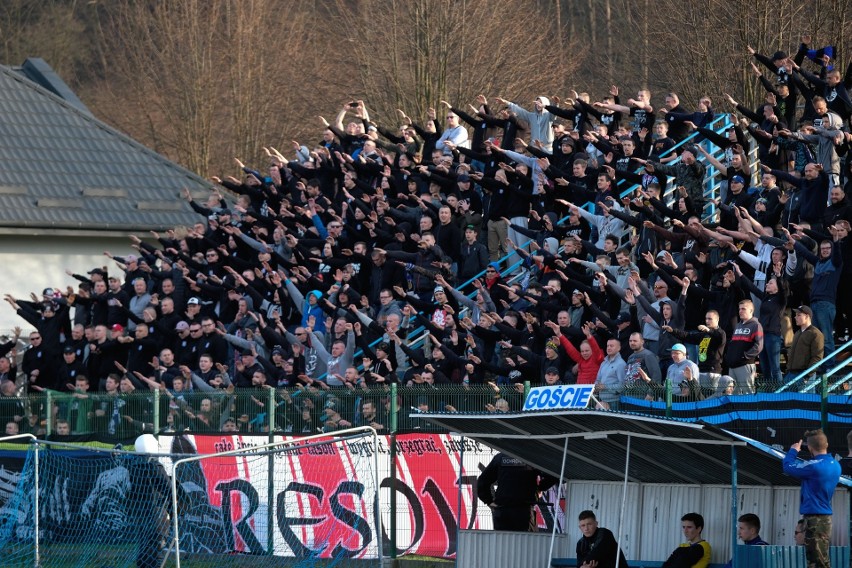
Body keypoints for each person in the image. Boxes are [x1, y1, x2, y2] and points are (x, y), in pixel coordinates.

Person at [782, 429, 842, 568]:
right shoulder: (835, 465)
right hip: (824, 518)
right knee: (822, 558)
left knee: (816, 561)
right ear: (826, 444)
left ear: (809, 447)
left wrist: (793, 451)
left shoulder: (814, 466)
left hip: (815, 518)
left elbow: (788, 467)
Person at [476, 452, 558, 532]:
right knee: (526, 543)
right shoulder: (532, 458)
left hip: (502, 511)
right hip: (524, 513)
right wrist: (540, 488)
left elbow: (483, 481)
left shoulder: (500, 458)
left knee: (502, 543)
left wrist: (488, 501)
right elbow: (553, 476)